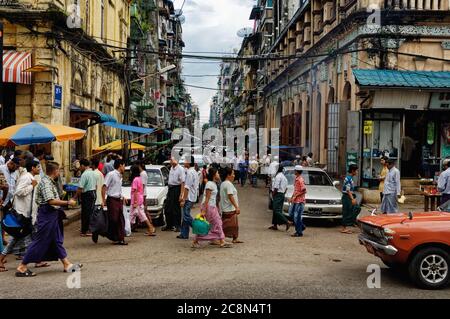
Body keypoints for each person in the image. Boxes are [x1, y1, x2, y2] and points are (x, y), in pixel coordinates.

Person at [15, 162, 81, 277]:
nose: (59, 172)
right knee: (40, 240)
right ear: (55, 171)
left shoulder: (49, 181)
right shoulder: (46, 182)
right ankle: (22, 266)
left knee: (56, 239)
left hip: (52, 214)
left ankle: (67, 264)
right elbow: (50, 200)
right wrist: (67, 202)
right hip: (47, 214)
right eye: (59, 170)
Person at [0, 160, 48, 272]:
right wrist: (32, 186)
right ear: (32, 167)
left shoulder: (31, 177)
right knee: (19, 239)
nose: (40, 169)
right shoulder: (26, 177)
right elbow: (18, 191)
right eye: (38, 167)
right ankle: (2, 260)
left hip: (28, 215)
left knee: (30, 237)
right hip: (23, 214)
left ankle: (38, 260)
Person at [192, 168, 231, 248]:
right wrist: (203, 211)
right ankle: (221, 240)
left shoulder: (214, 183)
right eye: (217, 173)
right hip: (208, 207)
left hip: (212, 206)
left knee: (217, 223)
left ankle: (219, 240)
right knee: (217, 223)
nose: (218, 175)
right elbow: (207, 199)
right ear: (214, 175)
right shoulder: (210, 184)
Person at [102, 159, 127, 245]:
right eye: (124, 165)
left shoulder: (120, 176)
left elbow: (117, 188)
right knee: (113, 219)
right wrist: (103, 199)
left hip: (118, 199)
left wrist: (122, 196)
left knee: (120, 219)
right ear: (120, 165)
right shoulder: (111, 174)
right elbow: (104, 186)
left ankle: (120, 238)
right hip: (112, 199)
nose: (124, 168)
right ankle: (110, 234)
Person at [73, 159, 97, 237]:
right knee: (91, 212)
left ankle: (86, 230)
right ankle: (89, 229)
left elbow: (80, 188)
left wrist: (74, 198)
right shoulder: (93, 172)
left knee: (86, 213)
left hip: (87, 194)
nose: (79, 167)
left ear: (83, 165)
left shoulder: (85, 174)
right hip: (93, 192)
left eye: (80, 166)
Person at [129, 165, 155, 236]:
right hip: (140, 199)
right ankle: (127, 230)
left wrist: (135, 202)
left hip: (136, 200)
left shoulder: (135, 180)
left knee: (133, 215)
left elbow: (135, 191)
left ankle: (126, 230)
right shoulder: (139, 178)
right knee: (136, 215)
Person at [178, 156, 199, 240]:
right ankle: (184, 234)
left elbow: (187, 187)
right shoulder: (192, 171)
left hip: (189, 197)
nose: (184, 162)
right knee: (185, 216)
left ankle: (198, 228)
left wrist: (183, 199)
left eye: (186, 161)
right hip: (192, 196)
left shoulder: (190, 172)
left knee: (186, 216)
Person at [220, 167, 242, 244]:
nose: (234, 175)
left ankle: (235, 238)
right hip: (229, 208)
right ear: (228, 175)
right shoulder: (228, 184)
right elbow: (230, 196)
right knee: (228, 225)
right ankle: (219, 237)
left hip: (227, 207)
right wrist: (236, 206)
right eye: (232, 174)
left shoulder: (223, 183)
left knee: (234, 224)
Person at [162, 157, 185, 232]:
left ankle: (178, 226)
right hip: (170, 189)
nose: (171, 161)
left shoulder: (180, 169)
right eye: (171, 160)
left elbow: (182, 182)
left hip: (177, 188)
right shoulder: (171, 168)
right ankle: (169, 225)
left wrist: (181, 194)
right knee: (168, 207)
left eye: (172, 160)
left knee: (176, 208)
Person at [269, 166, 293, 231]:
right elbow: (286, 188)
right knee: (277, 210)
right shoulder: (284, 177)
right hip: (282, 194)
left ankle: (287, 222)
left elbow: (276, 187)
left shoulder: (278, 177)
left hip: (278, 194)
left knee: (276, 210)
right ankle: (275, 225)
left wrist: (273, 194)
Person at [137, 161, 155, 233]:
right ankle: (150, 226)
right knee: (144, 210)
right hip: (142, 194)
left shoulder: (143, 173)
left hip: (142, 194)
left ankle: (151, 226)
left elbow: (143, 185)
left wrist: (140, 195)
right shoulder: (142, 173)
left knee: (145, 210)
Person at [341, 164, 359, 234]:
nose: (357, 172)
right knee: (346, 212)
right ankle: (344, 227)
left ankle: (350, 222)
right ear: (353, 171)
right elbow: (348, 190)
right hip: (347, 197)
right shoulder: (348, 178)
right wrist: (352, 199)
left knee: (355, 209)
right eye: (356, 170)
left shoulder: (350, 178)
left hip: (348, 196)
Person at [289, 165, 307, 237]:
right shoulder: (296, 178)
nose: (294, 171)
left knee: (297, 217)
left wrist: (296, 196)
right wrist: (292, 197)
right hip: (295, 200)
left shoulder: (300, 180)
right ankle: (301, 226)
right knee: (291, 214)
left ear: (297, 171)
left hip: (299, 201)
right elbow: (296, 190)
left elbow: (304, 191)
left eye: (294, 170)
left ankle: (299, 232)